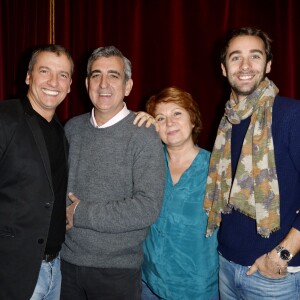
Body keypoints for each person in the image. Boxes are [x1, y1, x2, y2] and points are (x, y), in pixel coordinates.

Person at [60, 45, 165, 300]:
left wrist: (80, 212)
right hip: (66, 265)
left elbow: (147, 207)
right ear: (86, 83)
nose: (103, 83)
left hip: (116, 272)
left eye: (114, 75)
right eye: (96, 75)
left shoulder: (144, 135)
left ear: (128, 86)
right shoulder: (71, 129)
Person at [204, 27, 300, 299]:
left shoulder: (292, 115)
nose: (245, 65)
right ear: (224, 68)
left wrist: (281, 255)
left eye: (255, 56)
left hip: (274, 277)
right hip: (225, 266)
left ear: (268, 64)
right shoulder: (226, 121)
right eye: (235, 57)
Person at [0, 45, 73, 300]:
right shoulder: (5, 118)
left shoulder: (61, 132)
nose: (54, 81)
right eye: (45, 71)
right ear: (29, 76)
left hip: (55, 268)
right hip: (13, 272)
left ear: (70, 84)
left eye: (63, 75)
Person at [136, 87, 219, 300]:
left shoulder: (217, 168)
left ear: (193, 119)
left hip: (196, 290)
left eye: (177, 113)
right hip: (149, 284)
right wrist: (134, 126)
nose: (169, 123)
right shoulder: (147, 163)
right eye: (160, 118)